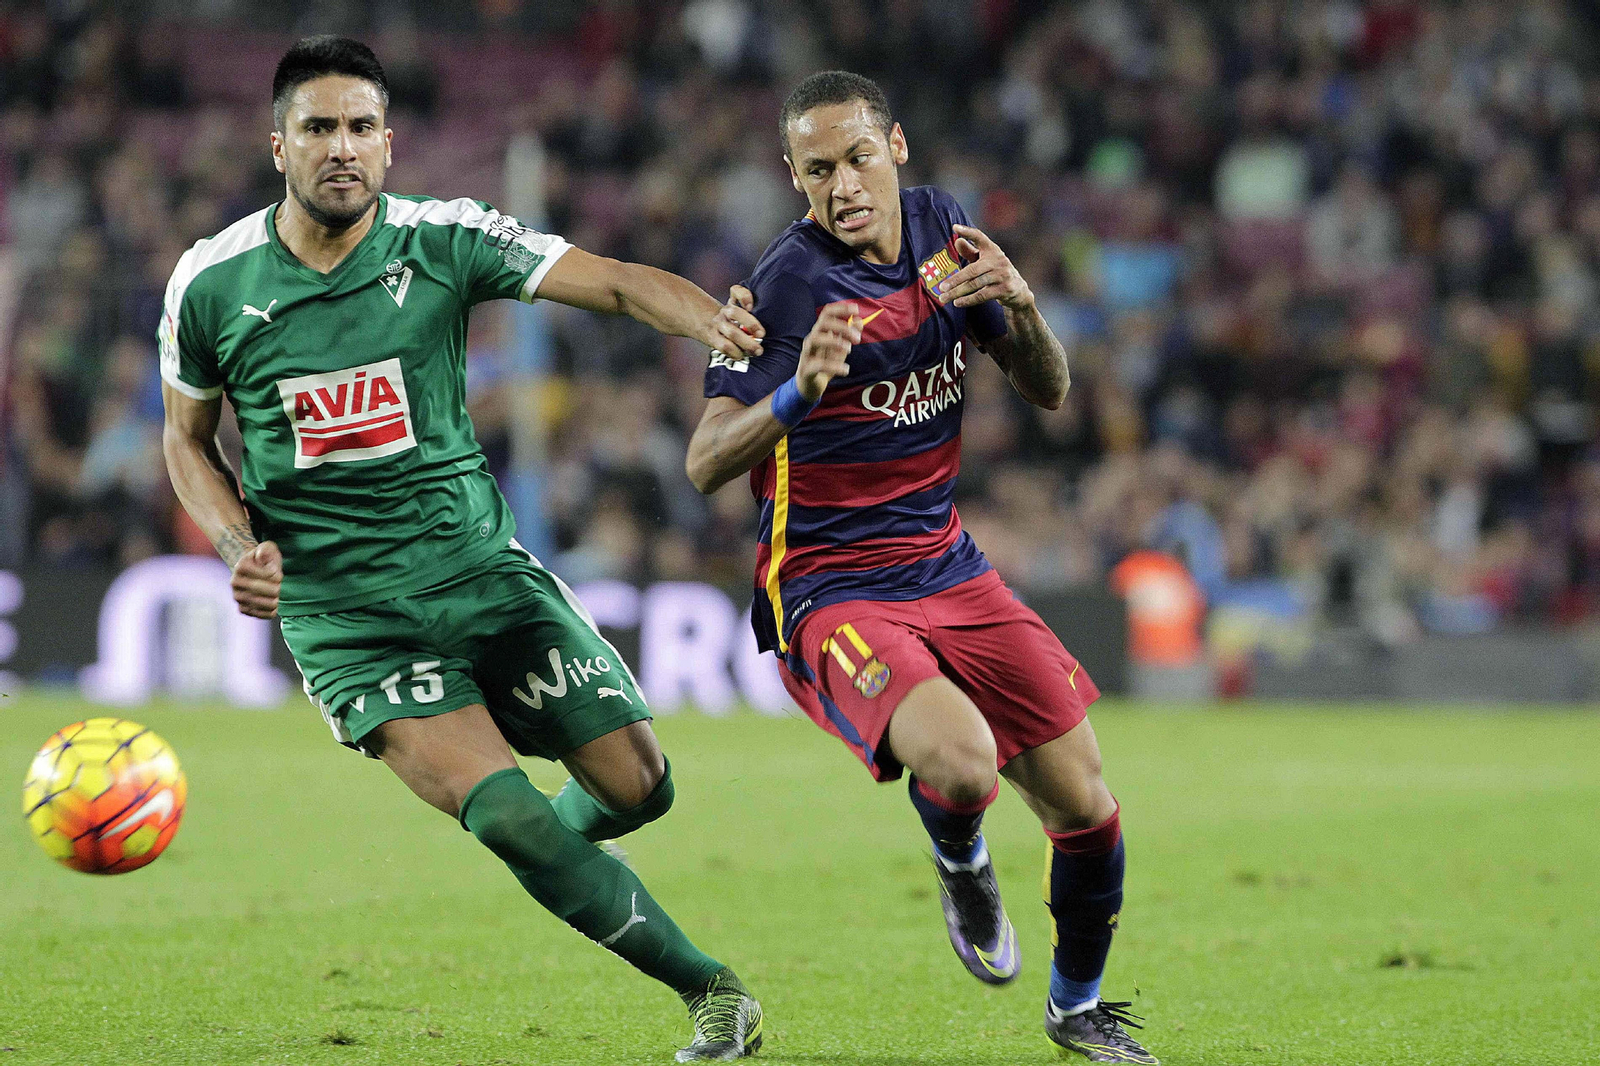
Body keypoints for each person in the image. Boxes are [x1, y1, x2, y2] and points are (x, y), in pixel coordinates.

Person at [159, 36, 764, 1063]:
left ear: (389, 146)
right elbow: (186, 438)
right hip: (347, 613)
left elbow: (612, 282)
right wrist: (233, 541)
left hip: (480, 572)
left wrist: (715, 327)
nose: (339, 148)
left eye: (359, 128)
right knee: (502, 810)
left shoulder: (444, 240)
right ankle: (714, 991)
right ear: (278, 147)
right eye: (317, 128)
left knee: (641, 786)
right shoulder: (211, 283)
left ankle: (550, 853)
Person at [688, 71, 1156, 1065]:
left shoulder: (949, 233)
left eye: (857, 157)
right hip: (828, 580)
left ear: (893, 147)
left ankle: (1076, 1009)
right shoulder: (784, 288)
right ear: (794, 177)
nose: (842, 184)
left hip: (945, 561)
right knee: (960, 761)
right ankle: (962, 859)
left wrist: (1022, 304)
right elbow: (701, 461)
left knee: (1086, 800)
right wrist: (795, 394)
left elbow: (1049, 390)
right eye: (817, 170)